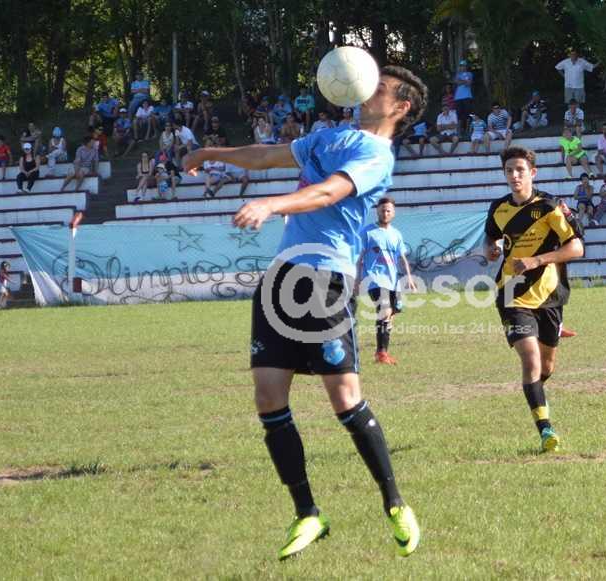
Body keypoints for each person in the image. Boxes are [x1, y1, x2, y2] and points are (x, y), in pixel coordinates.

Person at [181, 65, 427, 561]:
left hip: (326, 279)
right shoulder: (329, 136)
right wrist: (212, 154)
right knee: (268, 397)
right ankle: (308, 513)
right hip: (281, 276)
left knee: (345, 400)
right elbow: (266, 154)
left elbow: (329, 191)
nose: (367, 90)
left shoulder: (377, 155)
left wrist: (273, 205)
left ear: (400, 107)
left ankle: (395, 503)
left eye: (380, 88)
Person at [483, 146, 584, 453]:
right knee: (531, 360)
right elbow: (490, 236)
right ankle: (546, 430)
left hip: (549, 296)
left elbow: (576, 248)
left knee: (546, 367)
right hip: (511, 295)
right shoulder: (498, 208)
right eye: (509, 170)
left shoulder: (550, 207)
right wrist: (490, 248)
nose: (514, 175)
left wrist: (536, 260)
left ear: (533, 173)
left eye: (520, 170)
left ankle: (535, 390)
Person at [357, 197, 416, 364]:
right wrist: (356, 279)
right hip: (374, 279)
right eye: (382, 210)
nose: (385, 213)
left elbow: (402, 258)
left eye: (388, 210)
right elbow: (359, 257)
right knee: (385, 310)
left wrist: (409, 278)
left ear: (393, 213)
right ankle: (381, 353)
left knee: (391, 315)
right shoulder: (368, 232)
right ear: (377, 211)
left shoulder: (396, 234)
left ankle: (382, 353)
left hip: (392, 281)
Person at [453, 59, 473, 134]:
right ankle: (459, 131)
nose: (462, 67)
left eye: (464, 65)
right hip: (458, 97)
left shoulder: (469, 74)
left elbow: (469, 83)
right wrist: (464, 81)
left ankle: (467, 131)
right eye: (461, 66)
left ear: (466, 66)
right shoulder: (457, 74)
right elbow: (456, 82)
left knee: (468, 114)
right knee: (459, 115)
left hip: (467, 96)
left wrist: (461, 81)